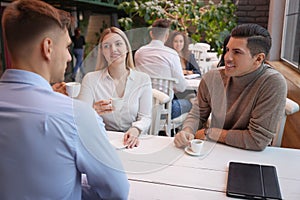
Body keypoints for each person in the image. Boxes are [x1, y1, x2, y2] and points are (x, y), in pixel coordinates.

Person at [0, 0, 129, 199]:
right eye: (67, 47)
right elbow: (117, 191)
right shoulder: (74, 115)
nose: (69, 57)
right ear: (48, 47)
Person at [174, 23, 287, 151]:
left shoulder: (272, 83)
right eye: (228, 50)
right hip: (215, 150)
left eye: (237, 52)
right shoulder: (212, 77)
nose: (227, 57)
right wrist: (187, 131)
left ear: (258, 59)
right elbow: (198, 115)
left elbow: (257, 140)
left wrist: (210, 133)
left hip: (250, 155)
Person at [78, 27, 152, 148]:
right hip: (102, 141)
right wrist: (92, 110)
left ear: (127, 48)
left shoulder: (142, 79)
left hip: (133, 142)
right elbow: (79, 117)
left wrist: (136, 130)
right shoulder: (90, 79)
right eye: (107, 46)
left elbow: (145, 117)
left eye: (118, 44)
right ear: (102, 52)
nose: (113, 50)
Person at [134, 19, 192, 119]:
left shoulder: (139, 53)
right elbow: (182, 87)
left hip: (141, 108)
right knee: (190, 103)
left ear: (151, 34)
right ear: (166, 36)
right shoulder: (171, 54)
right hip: (166, 109)